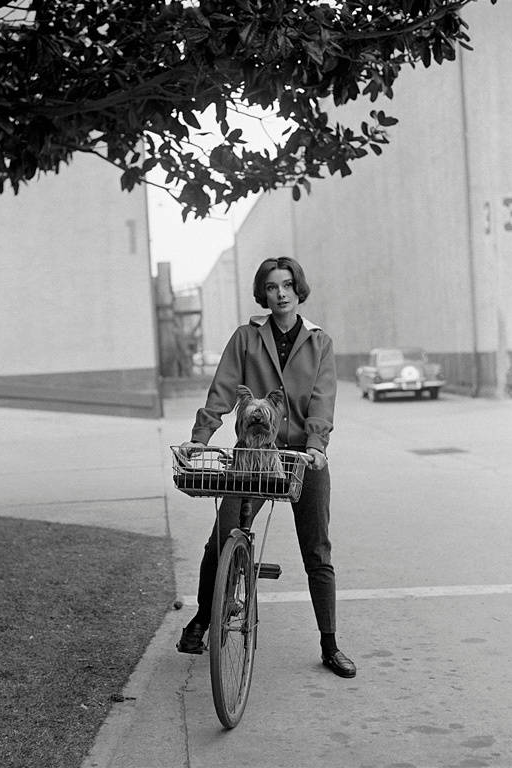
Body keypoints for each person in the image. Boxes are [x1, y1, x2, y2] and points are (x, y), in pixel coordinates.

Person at [176, 256, 356, 678]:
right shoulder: (246, 338)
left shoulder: (319, 342)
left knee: (317, 551)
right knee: (220, 538)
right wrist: (200, 438)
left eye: (288, 284)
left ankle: (330, 645)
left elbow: (322, 399)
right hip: (253, 455)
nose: (281, 293)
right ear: (264, 293)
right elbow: (222, 389)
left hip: (301, 459)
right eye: (272, 286)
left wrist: (316, 444)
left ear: (298, 289)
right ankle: (202, 620)